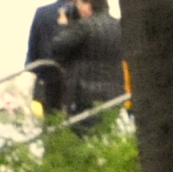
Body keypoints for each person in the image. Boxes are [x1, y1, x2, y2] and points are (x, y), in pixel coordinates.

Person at [50, 0, 122, 131]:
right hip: (114, 93)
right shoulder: (118, 26)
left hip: (84, 93)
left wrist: (64, 25)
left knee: (82, 135)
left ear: (91, 4)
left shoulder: (85, 25)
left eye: (82, 4)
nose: (79, 8)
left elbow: (58, 46)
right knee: (105, 133)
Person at [24, 0, 68, 115]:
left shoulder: (42, 13)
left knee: (54, 123)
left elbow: (33, 51)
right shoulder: (85, 12)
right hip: (77, 82)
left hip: (49, 81)